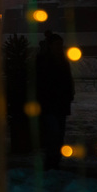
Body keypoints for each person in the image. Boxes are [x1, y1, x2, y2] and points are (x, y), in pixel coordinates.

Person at [36, 31, 75, 169]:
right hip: (53, 102)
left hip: (56, 102)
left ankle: (53, 159)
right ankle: (52, 159)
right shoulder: (53, 60)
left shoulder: (50, 60)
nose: (59, 47)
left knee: (56, 132)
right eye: (57, 44)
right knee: (55, 132)